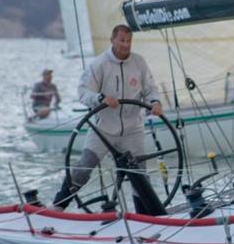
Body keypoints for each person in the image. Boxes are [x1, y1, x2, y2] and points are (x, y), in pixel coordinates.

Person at [52, 24, 163, 210]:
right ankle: (57, 206)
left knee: (140, 176)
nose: (125, 45)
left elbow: (150, 88)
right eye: (121, 40)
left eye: (128, 41)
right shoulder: (99, 64)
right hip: (103, 129)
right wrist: (100, 98)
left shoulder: (139, 62)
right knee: (84, 167)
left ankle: (144, 217)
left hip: (132, 130)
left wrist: (155, 102)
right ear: (112, 40)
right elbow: (83, 92)